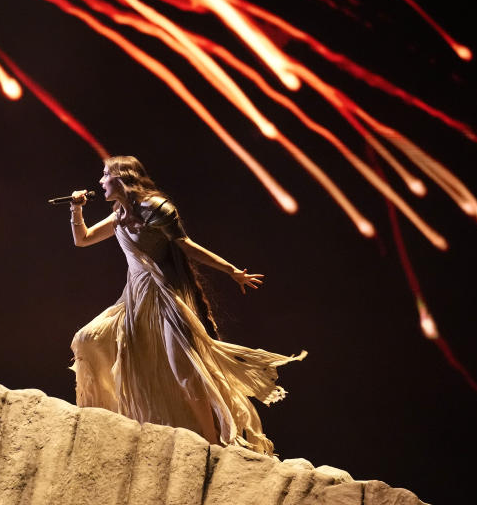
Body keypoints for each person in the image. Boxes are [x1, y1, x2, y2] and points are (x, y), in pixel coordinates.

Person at [68, 155, 305, 455]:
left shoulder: (155, 208)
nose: (100, 181)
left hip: (166, 297)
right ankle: (105, 416)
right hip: (135, 299)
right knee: (87, 339)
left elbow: (187, 246)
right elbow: (83, 239)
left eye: (105, 174)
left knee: (183, 369)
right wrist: (76, 209)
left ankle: (212, 441)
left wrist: (232, 271)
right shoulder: (119, 215)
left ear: (122, 177)